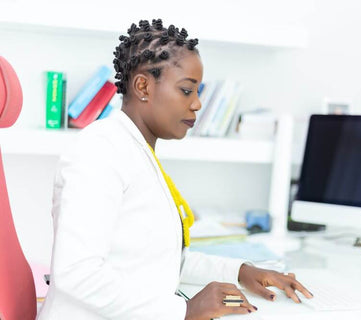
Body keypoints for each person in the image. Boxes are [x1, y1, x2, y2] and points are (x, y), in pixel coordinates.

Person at [38, 19, 313, 320]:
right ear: (143, 86)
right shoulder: (100, 150)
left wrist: (241, 272)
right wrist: (184, 310)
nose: (197, 104)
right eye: (186, 91)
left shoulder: (137, 152)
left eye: (198, 92)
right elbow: (76, 274)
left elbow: (158, 262)